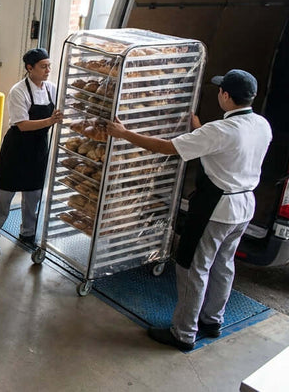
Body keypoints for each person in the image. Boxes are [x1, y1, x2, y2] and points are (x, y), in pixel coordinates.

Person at [106, 69, 271, 351]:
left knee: (193, 267)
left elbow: (168, 147)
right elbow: (223, 149)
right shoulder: (261, 124)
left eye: (221, 90)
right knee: (224, 265)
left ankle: (183, 332)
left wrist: (124, 134)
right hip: (244, 207)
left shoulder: (219, 130)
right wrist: (198, 128)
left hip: (216, 208)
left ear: (226, 95)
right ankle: (212, 320)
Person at [0, 48, 63, 257]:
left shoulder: (51, 89)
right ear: (30, 68)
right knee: (4, 195)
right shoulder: (18, 91)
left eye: (49, 66)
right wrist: (50, 121)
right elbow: (23, 125)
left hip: (38, 148)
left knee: (34, 194)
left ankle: (27, 233)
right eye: (43, 66)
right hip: (17, 147)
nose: (48, 70)